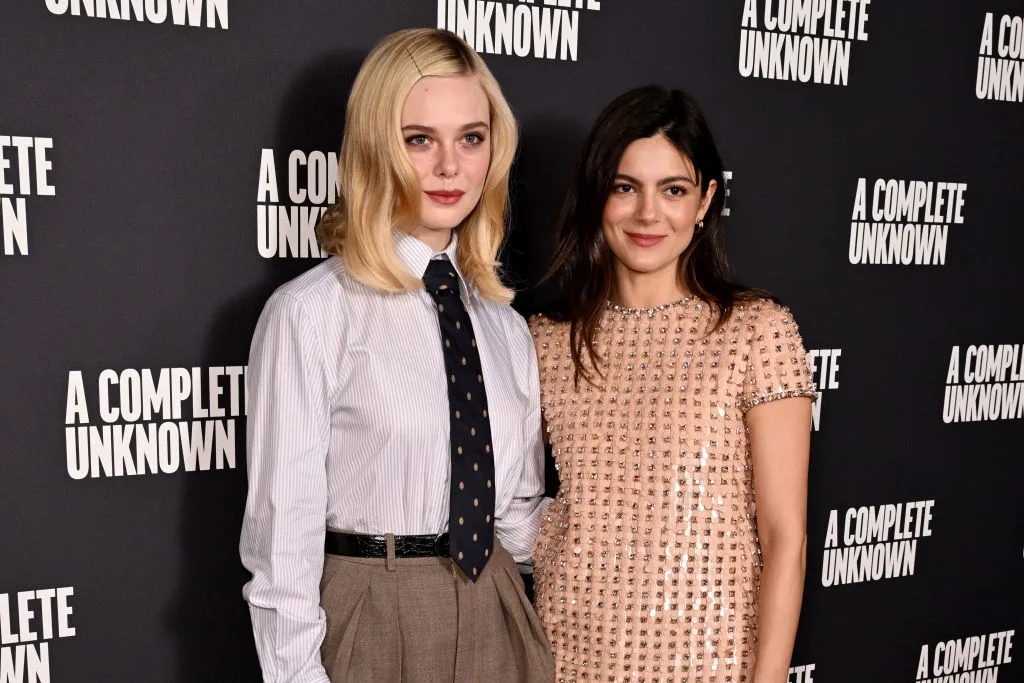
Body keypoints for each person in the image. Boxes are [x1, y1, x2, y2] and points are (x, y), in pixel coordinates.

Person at [240, 28, 554, 683]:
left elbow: (519, 522)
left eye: (471, 138)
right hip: (373, 612)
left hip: (499, 609)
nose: (450, 166)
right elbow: (282, 534)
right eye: (419, 139)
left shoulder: (506, 328)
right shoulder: (310, 313)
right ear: (377, 147)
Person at [530, 85, 816, 682]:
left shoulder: (757, 332)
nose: (647, 214)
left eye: (674, 190)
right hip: (566, 657)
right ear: (596, 193)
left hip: (710, 663)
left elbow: (784, 536)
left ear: (706, 200)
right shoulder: (546, 340)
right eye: (625, 187)